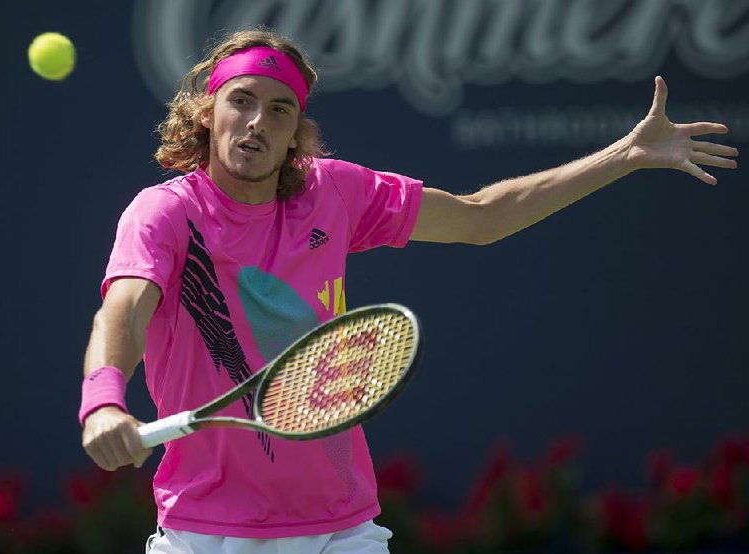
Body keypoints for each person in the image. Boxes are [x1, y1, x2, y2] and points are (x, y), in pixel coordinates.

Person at [79, 27, 738, 554]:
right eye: (241, 100)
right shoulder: (163, 214)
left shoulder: (331, 191)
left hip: (342, 530)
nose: (256, 122)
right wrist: (104, 401)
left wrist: (621, 155)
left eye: (278, 110)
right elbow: (125, 312)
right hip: (204, 534)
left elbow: (480, 217)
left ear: (295, 130)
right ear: (208, 111)